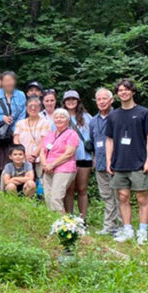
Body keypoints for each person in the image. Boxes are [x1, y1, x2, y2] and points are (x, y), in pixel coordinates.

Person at [105, 78, 148, 245]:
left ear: (133, 91)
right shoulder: (113, 115)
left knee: (142, 197)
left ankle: (142, 233)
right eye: (120, 90)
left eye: (126, 89)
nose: (123, 92)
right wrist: (108, 161)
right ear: (117, 94)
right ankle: (127, 230)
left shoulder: (144, 113)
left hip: (139, 162)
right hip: (119, 163)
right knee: (123, 197)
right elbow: (109, 140)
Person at [89, 88, 122, 236]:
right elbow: (93, 142)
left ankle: (123, 226)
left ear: (111, 100)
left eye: (104, 99)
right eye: (99, 99)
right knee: (106, 195)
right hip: (100, 163)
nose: (101, 102)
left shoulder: (118, 116)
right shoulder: (93, 121)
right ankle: (109, 226)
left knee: (119, 195)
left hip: (116, 163)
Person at [0, 71, 27, 184]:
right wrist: (1, 117)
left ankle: (14, 179)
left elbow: (22, 112)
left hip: (15, 130)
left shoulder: (20, 95)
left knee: (14, 154)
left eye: (11, 80)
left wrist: (16, 128)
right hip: (0, 131)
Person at [40, 108, 80, 214]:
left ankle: (62, 226)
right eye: (56, 117)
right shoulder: (50, 134)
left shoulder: (72, 134)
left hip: (64, 168)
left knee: (56, 198)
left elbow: (69, 153)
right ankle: (53, 223)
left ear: (67, 120)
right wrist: (45, 164)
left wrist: (52, 164)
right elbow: (42, 151)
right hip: (48, 169)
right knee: (48, 198)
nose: (59, 119)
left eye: (62, 117)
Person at [62, 90, 93, 220]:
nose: (71, 101)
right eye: (68, 99)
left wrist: (94, 156)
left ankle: (82, 218)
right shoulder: (60, 117)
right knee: (69, 190)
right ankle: (69, 217)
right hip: (66, 158)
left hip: (84, 157)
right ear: (64, 102)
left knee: (82, 188)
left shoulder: (87, 118)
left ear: (78, 101)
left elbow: (93, 137)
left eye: (73, 99)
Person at [14, 97, 53, 193]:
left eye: (36, 106)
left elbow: (45, 140)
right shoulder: (20, 123)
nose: (33, 108)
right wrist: (24, 153)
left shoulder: (45, 122)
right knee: (24, 179)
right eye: (30, 106)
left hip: (40, 157)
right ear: (26, 108)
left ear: (40, 108)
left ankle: (40, 200)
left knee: (40, 179)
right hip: (22, 157)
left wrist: (34, 155)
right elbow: (16, 139)